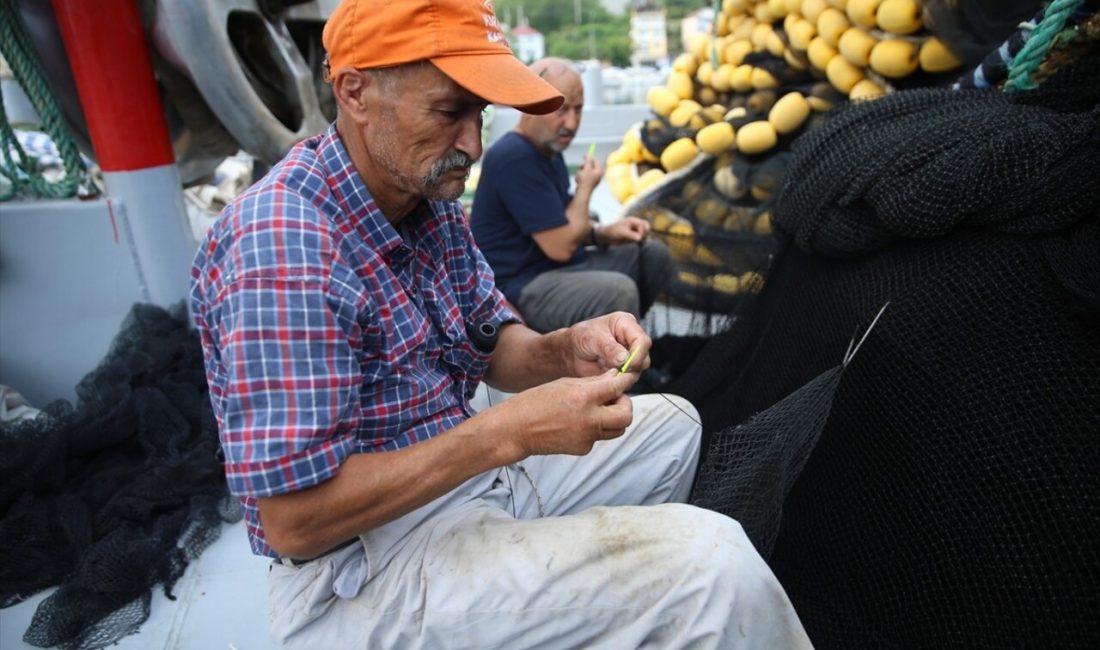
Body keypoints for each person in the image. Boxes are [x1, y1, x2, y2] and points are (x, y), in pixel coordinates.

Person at [189, 1, 811, 648]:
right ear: (355, 91)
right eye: (448, 111)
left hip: (465, 484)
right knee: (713, 566)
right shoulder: (283, 246)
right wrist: (505, 434)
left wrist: (567, 348)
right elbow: (295, 521)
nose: (473, 145)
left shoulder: (430, 205)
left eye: (480, 113)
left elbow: (494, 346)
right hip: (367, 573)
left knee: (675, 427)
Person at [471, 57, 675, 333]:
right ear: (530, 105)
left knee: (652, 255)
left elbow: (564, 224)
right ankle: (619, 368)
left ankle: (630, 343)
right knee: (617, 291)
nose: (572, 122)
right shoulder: (513, 157)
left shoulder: (548, 152)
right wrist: (585, 187)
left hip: (560, 269)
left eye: (578, 110)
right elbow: (561, 247)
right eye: (561, 110)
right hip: (522, 286)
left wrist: (605, 233)